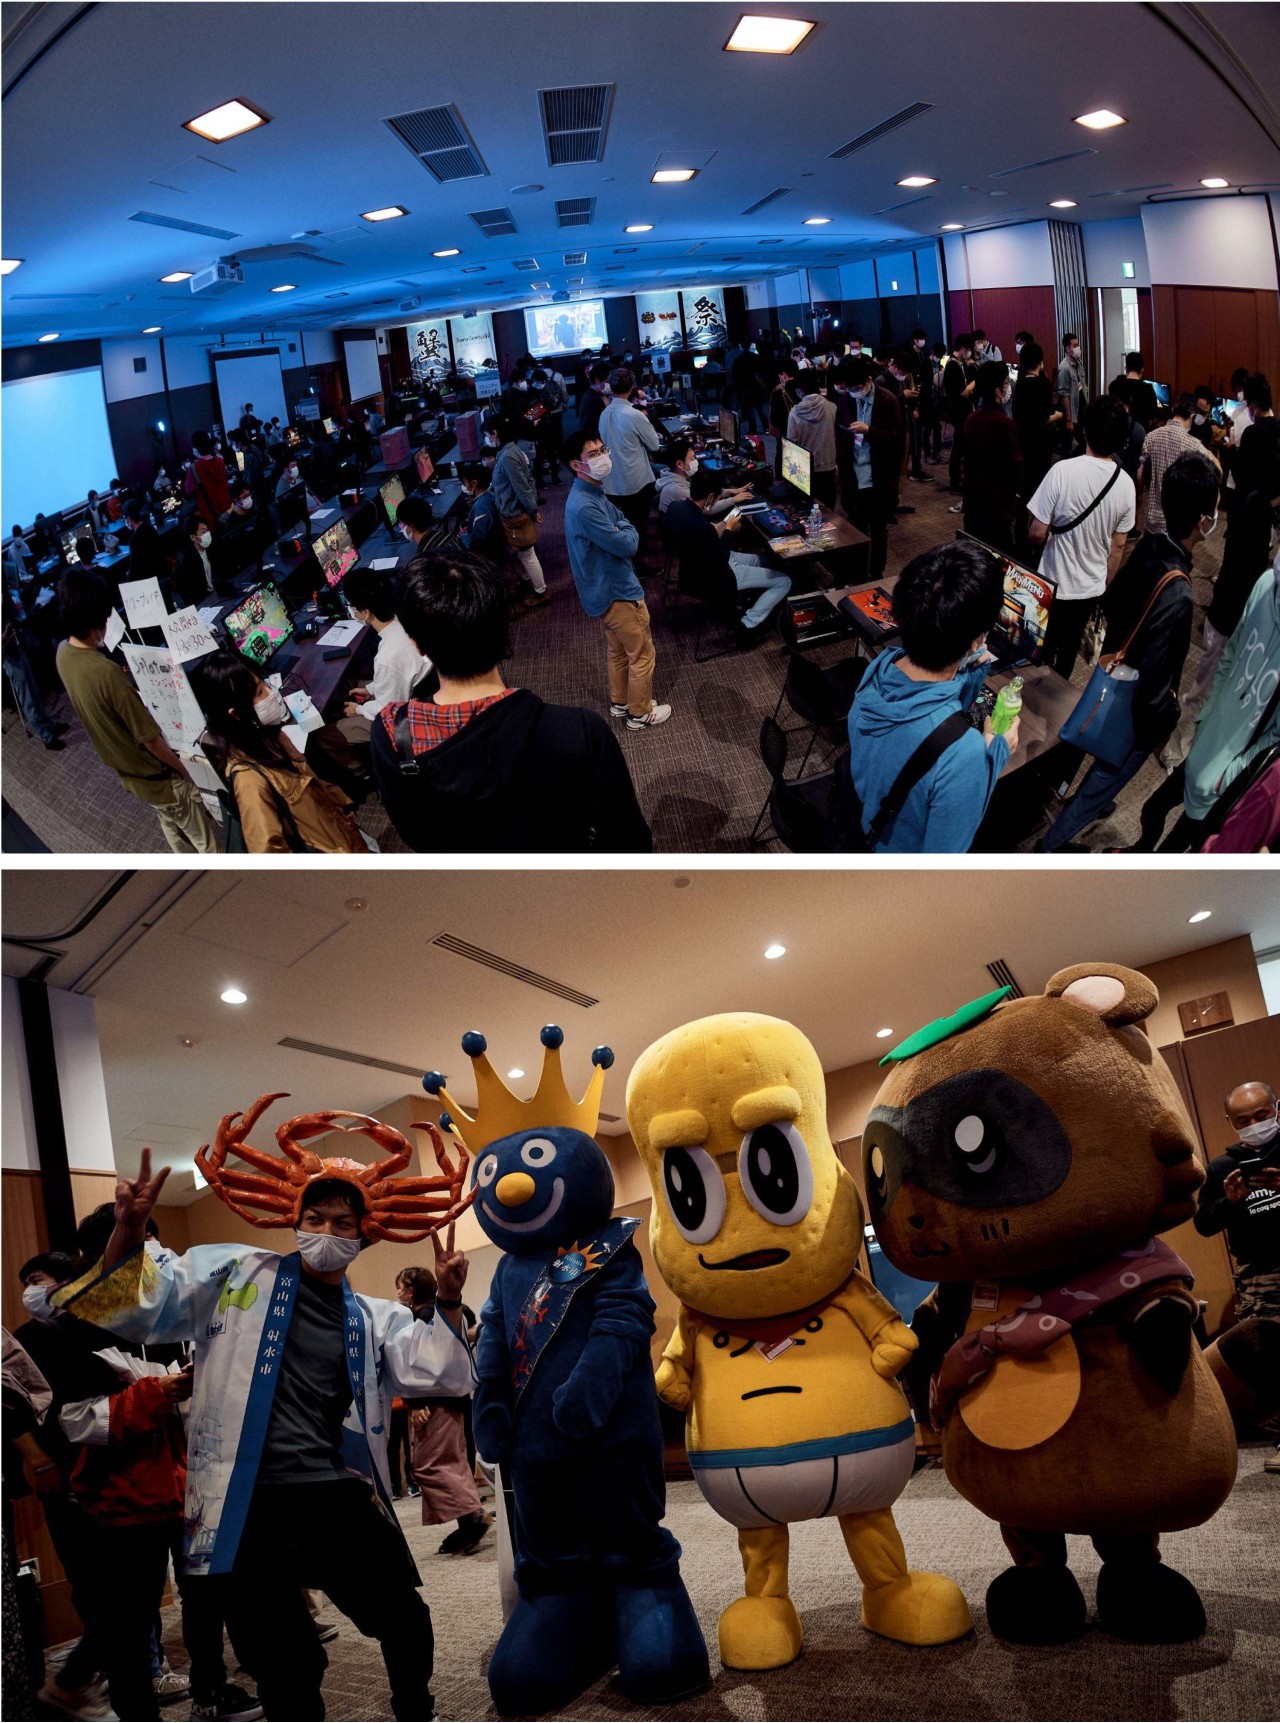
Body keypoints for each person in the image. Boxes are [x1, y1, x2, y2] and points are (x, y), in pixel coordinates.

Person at [54, 1140, 476, 1723]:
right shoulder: (233, 1274)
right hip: (244, 1503)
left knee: (404, 1618)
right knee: (284, 1660)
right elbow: (136, 1306)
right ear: (294, 1221)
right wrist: (127, 1230)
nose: (326, 1231)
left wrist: (448, 1297)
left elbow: (439, 1373)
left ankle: (416, 1710)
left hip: (332, 1488)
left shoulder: (374, 1316)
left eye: (343, 1223)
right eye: (315, 1218)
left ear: (364, 1235)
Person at [370, 548, 652, 850]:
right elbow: (630, 843)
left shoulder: (393, 736)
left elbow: (417, 836)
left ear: (417, 645)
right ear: (503, 627)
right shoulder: (580, 731)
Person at [1039, 451, 1219, 851]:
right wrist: (1167, 718)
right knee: (1106, 778)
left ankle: (1071, 808)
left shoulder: (1152, 544)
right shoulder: (1180, 593)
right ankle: (1050, 847)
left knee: (1095, 760)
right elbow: (1156, 682)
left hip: (1112, 675)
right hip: (1136, 708)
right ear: (1204, 521)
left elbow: (1115, 601)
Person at [844, 541, 1015, 853]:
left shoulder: (881, 668)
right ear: (978, 638)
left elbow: (941, 719)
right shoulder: (964, 756)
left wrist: (969, 668)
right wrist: (996, 755)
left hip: (868, 818)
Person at [56, 569, 222, 853]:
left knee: (171, 824)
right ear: (94, 623)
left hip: (132, 777)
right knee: (206, 843)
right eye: (105, 619)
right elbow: (151, 740)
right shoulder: (106, 673)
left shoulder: (62, 653)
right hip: (159, 779)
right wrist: (183, 771)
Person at [188, 650, 365, 853]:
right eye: (259, 693)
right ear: (236, 714)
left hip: (341, 836)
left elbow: (310, 781)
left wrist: (342, 804)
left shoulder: (272, 735)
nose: (270, 693)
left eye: (264, 684)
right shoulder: (249, 782)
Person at [562, 427, 671, 731]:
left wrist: (622, 526)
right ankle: (640, 713)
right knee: (642, 653)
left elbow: (621, 522)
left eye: (602, 450)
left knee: (619, 651)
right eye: (593, 454)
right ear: (576, 464)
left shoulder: (591, 493)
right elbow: (628, 544)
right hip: (616, 590)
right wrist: (625, 528)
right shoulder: (585, 505)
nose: (602, 458)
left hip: (603, 590)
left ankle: (620, 701)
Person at [1027, 396, 1137, 677]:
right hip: (1090, 588)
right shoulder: (1126, 485)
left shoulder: (1062, 471)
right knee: (1068, 652)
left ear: (1085, 430)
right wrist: (1103, 584)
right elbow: (1118, 547)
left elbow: (1036, 533)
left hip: (1053, 582)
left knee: (1042, 647)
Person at [395, 1267, 490, 1557]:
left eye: (400, 1287)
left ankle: (474, 1515)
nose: (397, 1293)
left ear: (411, 1291)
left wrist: (416, 1402)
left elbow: (423, 1366)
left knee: (429, 1465)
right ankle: (468, 1523)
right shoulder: (438, 1315)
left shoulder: (424, 1318)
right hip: (453, 1402)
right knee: (450, 1464)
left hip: (434, 1403)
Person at [663, 467, 791, 643]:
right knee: (784, 581)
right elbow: (721, 558)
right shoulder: (703, 528)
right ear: (710, 497)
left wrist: (721, 526)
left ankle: (741, 602)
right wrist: (729, 530)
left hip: (690, 571)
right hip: (717, 576)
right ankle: (748, 625)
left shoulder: (675, 507)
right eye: (717, 497)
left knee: (766, 560)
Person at [1194, 1081, 1280, 1321]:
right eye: (1243, 1121)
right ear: (1230, 1121)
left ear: (1277, 1109)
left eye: (1261, 1116)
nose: (1253, 1125)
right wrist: (1231, 1202)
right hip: (1259, 1278)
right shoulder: (1221, 1168)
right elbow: (1204, 1225)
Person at [340, 565, 431, 742]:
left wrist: (358, 709)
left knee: (334, 733)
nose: (350, 610)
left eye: (351, 605)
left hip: (403, 720)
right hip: (418, 694)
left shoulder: (387, 657)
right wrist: (370, 689)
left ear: (365, 612)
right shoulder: (405, 618)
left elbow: (386, 709)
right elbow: (397, 676)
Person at [837, 358, 900, 576]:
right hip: (853, 477)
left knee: (878, 530)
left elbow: (895, 441)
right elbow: (840, 432)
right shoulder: (845, 399)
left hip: (878, 479)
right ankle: (858, 574)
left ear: (869, 381)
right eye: (849, 388)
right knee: (856, 530)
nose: (853, 392)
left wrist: (869, 431)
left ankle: (876, 574)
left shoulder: (888, 400)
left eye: (856, 387)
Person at [598, 367, 661, 572]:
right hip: (635, 480)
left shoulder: (605, 413)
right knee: (638, 524)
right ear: (632, 387)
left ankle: (628, 560)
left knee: (622, 524)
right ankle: (638, 566)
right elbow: (654, 445)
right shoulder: (634, 414)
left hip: (612, 480)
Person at [959, 361, 1023, 550]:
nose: (1008, 387)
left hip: (973, 503)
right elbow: (1015, 468)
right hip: (997, 508)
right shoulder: (1004, 423)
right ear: (997, 390)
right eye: (1006, 383)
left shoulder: (972, 418)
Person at [489, 417, 550, 608]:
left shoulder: (507, 456)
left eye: (487, 435)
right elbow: (528, 482)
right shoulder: (513, 450)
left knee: (527, 555)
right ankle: (528, 581)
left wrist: (532, 510)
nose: (487, 439)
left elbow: (522, 487)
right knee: (524, 553)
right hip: (517, 510)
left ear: (495, 433)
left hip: (515, 513)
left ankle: (541, 592)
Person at [2, 589, 64, 749]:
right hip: (9, 656)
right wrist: (7, 631)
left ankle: (49, 726)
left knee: (34, 692)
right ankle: (47, 737)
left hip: (16, 647)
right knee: (28, 699)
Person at [1137, 393, 1207, 534]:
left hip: (1152, 518)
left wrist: (1139, 497)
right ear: (1192, 415)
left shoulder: (1151, 436)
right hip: (1178, 521)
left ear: (1173, 409)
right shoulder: (1194, 445)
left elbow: (1140, 475)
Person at [1010, 341, 1062, 505]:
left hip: (1024, 437)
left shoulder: (1020, 384)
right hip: (1041, 440)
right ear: (1040, 361)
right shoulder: (1043, 384)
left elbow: (1016, 413)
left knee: (1027, 476)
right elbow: (1044, 418)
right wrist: (1057, 416)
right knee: (1041, 476)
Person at [654, 438, 751, 518]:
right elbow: (706, 509)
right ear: (680, 464)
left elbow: (702, 495)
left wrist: (730, 491)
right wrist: (733, 500)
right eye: (692, 458)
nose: (695, 461)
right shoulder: (676, 489)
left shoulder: (679, 478)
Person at [785, 370, 838, 507]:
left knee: (808, 507)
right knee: (828, 506)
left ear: (800, 390)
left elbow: (791, 444)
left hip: (804, 469)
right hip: (828, 465)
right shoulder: (832, 408)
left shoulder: (794, 413)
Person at [940, 333, 976, 492]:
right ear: (963, 348)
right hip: (959, 412)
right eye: (969, 349)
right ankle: (955, 482)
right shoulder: (953, 366)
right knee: (958, 447)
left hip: (961, 411)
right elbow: (961, 392)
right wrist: (975, 382)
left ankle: (959, 479)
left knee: (961, 447)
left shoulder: (957, 364)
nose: (970, 353)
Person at [185, 433, 231, 530]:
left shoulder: (194, 469)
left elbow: (188, 492)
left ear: (196, 449)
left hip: (210, 517)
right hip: (227, 511)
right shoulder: (220, 461)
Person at [908, 328, 935, 481]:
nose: (922, 341)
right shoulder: (910, 355)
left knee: (924, 431)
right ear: (915, 339)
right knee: (916, 435)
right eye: (920, 339)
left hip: (925, 398)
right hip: (915, 399)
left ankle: (920, 463)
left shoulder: (924, 355)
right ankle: (915, 469)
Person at [1109, 353, 1161, 432]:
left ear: (1126, 368)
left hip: (1118, 431)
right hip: (1141, 433)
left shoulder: (1115, 385)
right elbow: (1154, 415)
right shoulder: (1148, 388)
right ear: (1142, 369)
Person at [1055, 331, 1087, 452]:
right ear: (1068, 349)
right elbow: (1063, 395)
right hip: (1071, 413)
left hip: (1080, 409)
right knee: (1067, 445)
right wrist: (1069, 420)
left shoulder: (1079, 363)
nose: (1078, 348)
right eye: (1075, 346)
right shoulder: (1064, 367)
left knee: (1083, 443)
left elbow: (1081, 383)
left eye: (1078, 345)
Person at [123, 498, 164, 584]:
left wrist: (129, 573)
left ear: (129, 519)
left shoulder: (134, 540)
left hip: (148, 580)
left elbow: (135, 570)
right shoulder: (151, 528)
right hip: (160, 572)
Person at [577, 361, 612, 443]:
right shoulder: (595, 401)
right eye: (607, 382)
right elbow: (594, 428)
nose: (610, 385)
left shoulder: (590, 394)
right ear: (597, 380)